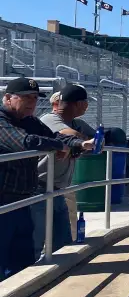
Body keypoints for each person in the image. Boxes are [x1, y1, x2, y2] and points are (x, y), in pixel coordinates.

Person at [0, 78, 89, 279]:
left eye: (34, 97)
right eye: (25, 97)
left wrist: (79, 144)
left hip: (23, 200)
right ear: (8, 98)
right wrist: (58, 147)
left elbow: (55, 137)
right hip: (3, 201)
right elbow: (25, 142)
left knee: (24, 260)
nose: (31, 102)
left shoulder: (29, 121)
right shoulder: (2, 121)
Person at [36, 84, 96, 249]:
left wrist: (80, 144)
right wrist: (80, 143)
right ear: (79, 104)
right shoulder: (49, 119)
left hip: (59, 187)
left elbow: (99, 139)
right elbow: (68, 135)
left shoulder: (77, 122)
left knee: (62, 240)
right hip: (40, 186)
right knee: (36, 240)